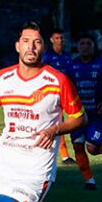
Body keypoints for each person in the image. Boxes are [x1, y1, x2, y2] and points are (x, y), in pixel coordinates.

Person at [0, 21, 87, 202]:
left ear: (43, 47)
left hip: (36, 168)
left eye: (37, 42)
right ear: (17, 46)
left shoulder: (58, 81)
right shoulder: (2, 79)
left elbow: (80, 118)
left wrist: (54, 130)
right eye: (26, 41)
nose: (31, 47)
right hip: (3, 164)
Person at [67, 33, 102, 190]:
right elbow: (66, 88)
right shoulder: (71, 65)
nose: (85, 46)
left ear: (94, 46)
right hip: (77, 114)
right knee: (77, 146)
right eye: (82, 43)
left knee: (92, 148)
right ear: (77, 46)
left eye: (88, 43)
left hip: (96, 115)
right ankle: (89, 181)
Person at [42, 28, 76, 167]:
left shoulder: (68, 56)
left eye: (62, 38)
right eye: (57, 38)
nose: (60, 41)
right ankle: (64, 155)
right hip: (52, 94)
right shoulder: (47, 57)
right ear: (51, 40)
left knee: (75, 120)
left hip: (67, 93)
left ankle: (72, 152)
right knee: (58, 123)